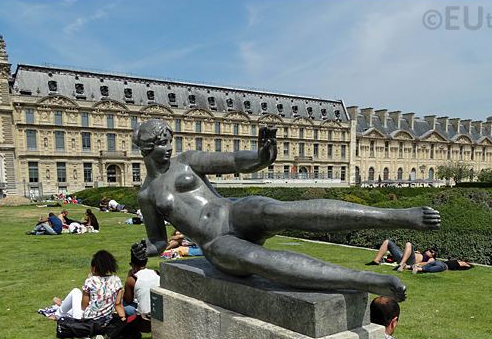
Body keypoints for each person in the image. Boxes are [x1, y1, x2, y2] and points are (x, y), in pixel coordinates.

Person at [134, 119, 440, 301]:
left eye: (168, 141)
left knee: (280, 211)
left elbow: (234, 162)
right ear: (146, 148)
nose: (168, 148)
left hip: (233, 211)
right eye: (160, 143)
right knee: (258, 259)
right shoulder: (147, 194)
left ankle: (399, 216)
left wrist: (262, 156)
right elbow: (159, 241)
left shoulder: (186, 160)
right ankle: (369, 281)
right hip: (215, 243)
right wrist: (144, 249)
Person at [52, 250, 125, 339]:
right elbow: (118, 303)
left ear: (94, 268)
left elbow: (84, 305)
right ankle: (63, 306)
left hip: (87, 320)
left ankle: (59, 313)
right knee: (76, 301)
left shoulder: (90, 281)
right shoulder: (116, 280)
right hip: (105, 320)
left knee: (75, 292)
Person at [123, 243, 161, 337]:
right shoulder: (156, 273)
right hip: (158, 311)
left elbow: (128, 300)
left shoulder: (132, 279)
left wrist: (129, 276)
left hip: (144, 317)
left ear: (132, 264)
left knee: (123, 305)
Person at [366, 239, 439, 272]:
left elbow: (426, 264)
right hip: (402, 257)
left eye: (431, 252)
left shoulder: (431, 259)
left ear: (433, 255)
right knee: (387, 241)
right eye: (429, 250)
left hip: (410, 262)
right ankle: (376, 261)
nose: (428, 251)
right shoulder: (421, 253)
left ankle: (401, 265)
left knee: (409, 244)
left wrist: (416, 265)